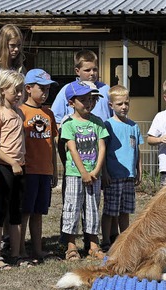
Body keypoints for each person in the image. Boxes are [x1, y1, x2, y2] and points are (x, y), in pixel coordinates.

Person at [60, 80, 109, 261]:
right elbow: (72, 149)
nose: (88, 103)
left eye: (90, 99)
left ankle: (93, 245)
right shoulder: (68, 123)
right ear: (71, 102)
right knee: (72, 207)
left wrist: (95, 171)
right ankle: (71, 245)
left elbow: (102, 147)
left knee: (93, 208)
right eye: (83, 99)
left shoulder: (98, 123)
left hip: (94, 175)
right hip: (75, 174)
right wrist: (83, 172)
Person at [0, 70, 29, 269]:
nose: (19, 94)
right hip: (6, 168)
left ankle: (16, 253)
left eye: (21, 90)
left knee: (17, 211)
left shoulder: (18, 112)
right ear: (3, 90)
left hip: (20, 167)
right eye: (16, 90)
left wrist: (20, 162)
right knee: (0, 210)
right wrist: (11, 162)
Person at [18, 69, 59, 261]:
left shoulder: (48, 113)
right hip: (29, 170)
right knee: (25, 211)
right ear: (28, 88)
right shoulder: (21, 112)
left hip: (45, 171)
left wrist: (54, 170)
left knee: (39, 212)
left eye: (48, 90)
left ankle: (37, 248)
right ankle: (20, 249)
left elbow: (52, 144)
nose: (45, 93)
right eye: (41, 89)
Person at [100, 84, 143, 249]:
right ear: (111, 105)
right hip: (113, 175)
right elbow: (102, 150)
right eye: (119, 104)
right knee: (110, 210)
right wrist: (104, 172)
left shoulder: (134, 126)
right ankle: (105, 241)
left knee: (125, 210)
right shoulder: (107, 125)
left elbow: (137, 150)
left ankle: (124, 241)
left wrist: (139, 170)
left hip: (129, 176)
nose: (124, 107)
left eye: (126, 103)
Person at [52, 50, 113, 125]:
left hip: (103, 134)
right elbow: (56, 119)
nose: (92, 73)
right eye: (87, 70)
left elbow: (115, 116)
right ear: (77, 71)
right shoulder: (68, 89)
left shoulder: (106, 89)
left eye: (95, 69)